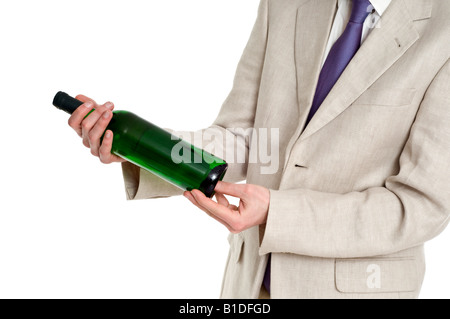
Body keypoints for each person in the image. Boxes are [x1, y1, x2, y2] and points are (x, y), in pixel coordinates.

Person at [68, 0, 450, 299]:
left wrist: (278, 214)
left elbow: (418, 206)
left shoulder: (443, 30)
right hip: (249, 282)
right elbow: (248, 138)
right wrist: (139, 149)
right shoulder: (284, 4)